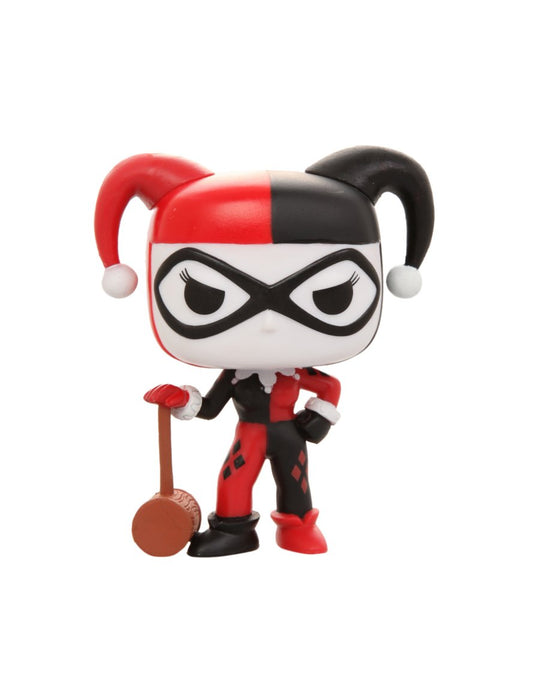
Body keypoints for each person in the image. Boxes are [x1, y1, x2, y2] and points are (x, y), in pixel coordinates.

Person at [94, 147, 434, 556]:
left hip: (289, 434)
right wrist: (181, 399)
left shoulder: (292, 374)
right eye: (203, 296)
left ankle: (298, 527)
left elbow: (328, 387)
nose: (269, 322)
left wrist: (318, 419)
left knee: (296, 481)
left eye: (331, 295)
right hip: (250, 434)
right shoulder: (238, 375)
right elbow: (210, 407)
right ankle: (234, 530)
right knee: (234, 478)